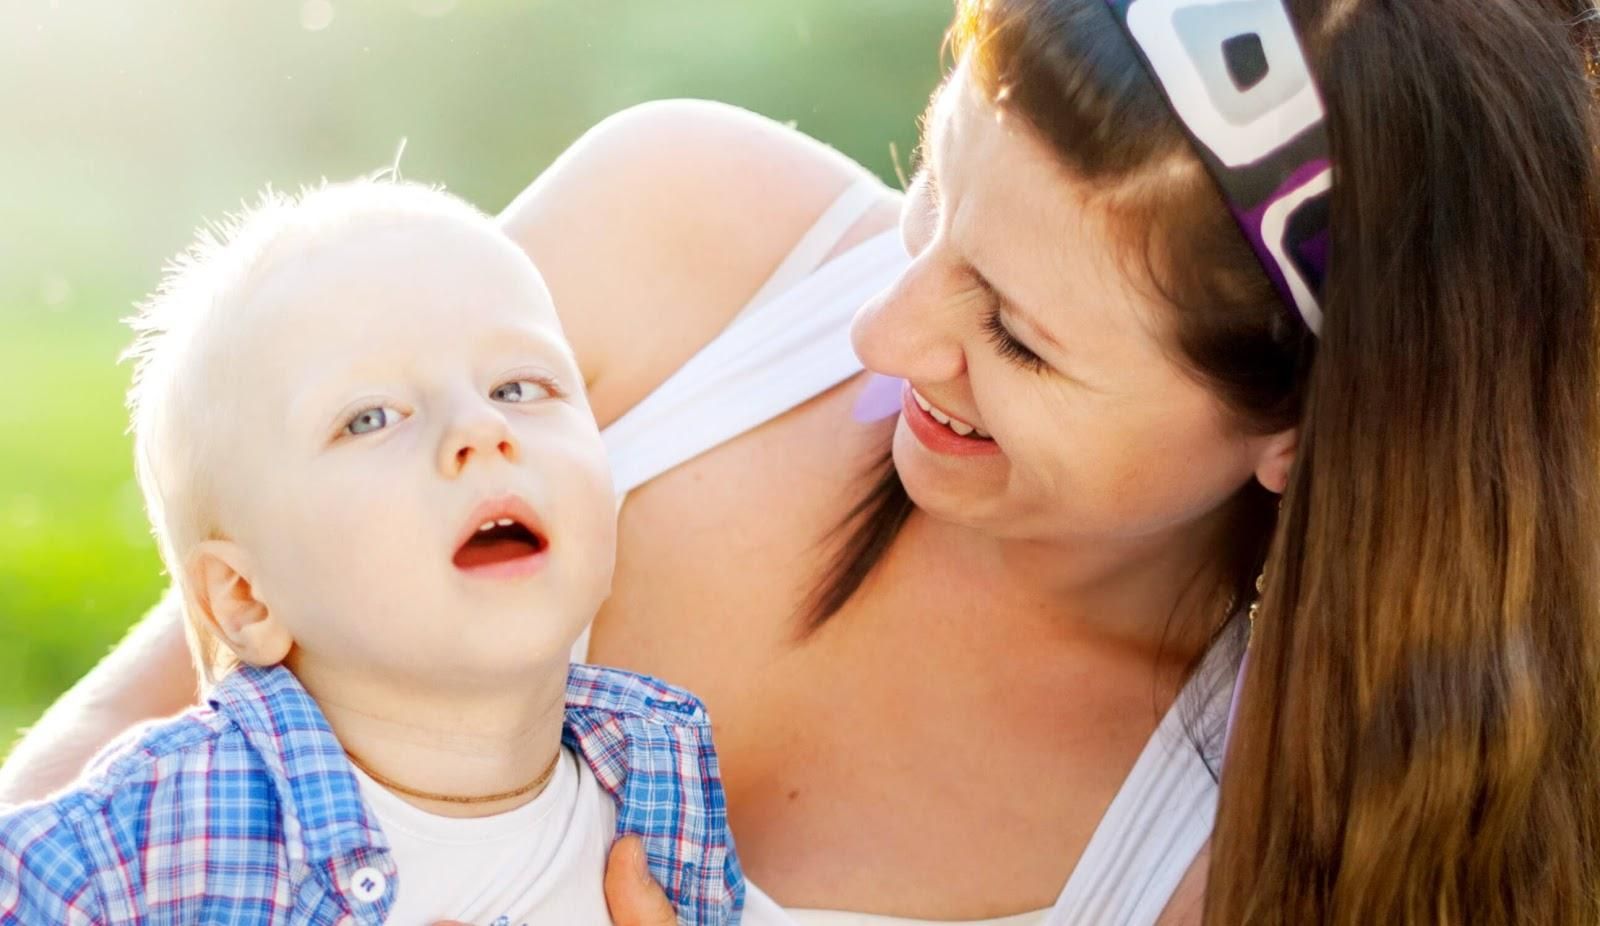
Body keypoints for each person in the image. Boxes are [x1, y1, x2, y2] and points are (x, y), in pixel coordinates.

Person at [8, 0, 1600, 922]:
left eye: (1018, 335)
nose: (886, 332)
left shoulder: (1257, 845)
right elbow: (124, 726)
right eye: (930, 193)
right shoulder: (678, 229)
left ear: (1299, 430)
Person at [0, 179, 741, 925]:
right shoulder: (148, 849)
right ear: (247, 598)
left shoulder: (660, 784)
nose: (481, 430)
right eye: (371, 418)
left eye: (520, 386)